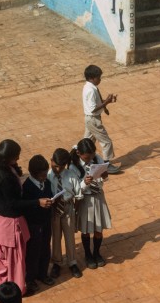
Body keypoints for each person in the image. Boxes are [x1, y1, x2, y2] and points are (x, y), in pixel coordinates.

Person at [0, 139, 52, 293]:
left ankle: (13, 281)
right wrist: (37, 202)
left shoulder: (2, 168)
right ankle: (18, 286)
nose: (18, 159)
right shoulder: (3, 176)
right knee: (15, 257)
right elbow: (13, 203)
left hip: (5, 217)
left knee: (10, 255)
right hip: (10, 220)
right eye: (16, 157)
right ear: (7, 158)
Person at [71, 138, 112, 270]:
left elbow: (104, 177)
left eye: (92, 156)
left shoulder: (97, 158)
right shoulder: (73, 166)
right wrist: (84, 183)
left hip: (98, 196)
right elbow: (74, 189)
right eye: (87, 157)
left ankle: (97, 253)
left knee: (98, 229)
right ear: (79, 153)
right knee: (86, 229)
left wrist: (105, 175)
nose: (90, 159)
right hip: (85, 199)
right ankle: (88, 254)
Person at [21, 155, 55, 295]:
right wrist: (39, 204)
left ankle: (43, 273)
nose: (44, 178)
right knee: (33, 252)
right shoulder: (27, 187)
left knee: (45, 248)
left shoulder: (46, 183)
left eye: (45, 175)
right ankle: (30, 278)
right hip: (33, 225)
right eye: (42, 176)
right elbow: (26, 207)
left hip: (46, 222)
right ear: (34, 174)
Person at [48, 148, 83, 280]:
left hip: (68, 208)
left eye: (61, 167)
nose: (58, 169)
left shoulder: (71, 175)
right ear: (51, 161)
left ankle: (72, 262)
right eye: (55, 166)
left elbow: (79, 195)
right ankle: (57, 262)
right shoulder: (48, 176)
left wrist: (75, 210)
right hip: (54, 210)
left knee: (70, 237)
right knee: (56, 237)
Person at [82, 65, 121, 174]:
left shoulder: (89, 87)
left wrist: (108, 102)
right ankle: (106, 165)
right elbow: (93, 109)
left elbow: (97, 103)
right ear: (92, 78)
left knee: (87, 141)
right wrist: (106, 102)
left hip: (90, 119)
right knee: (106, 142)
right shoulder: (90, 90)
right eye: (99, 77)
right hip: (93, 119)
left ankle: (78, 159)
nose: (100, 80)